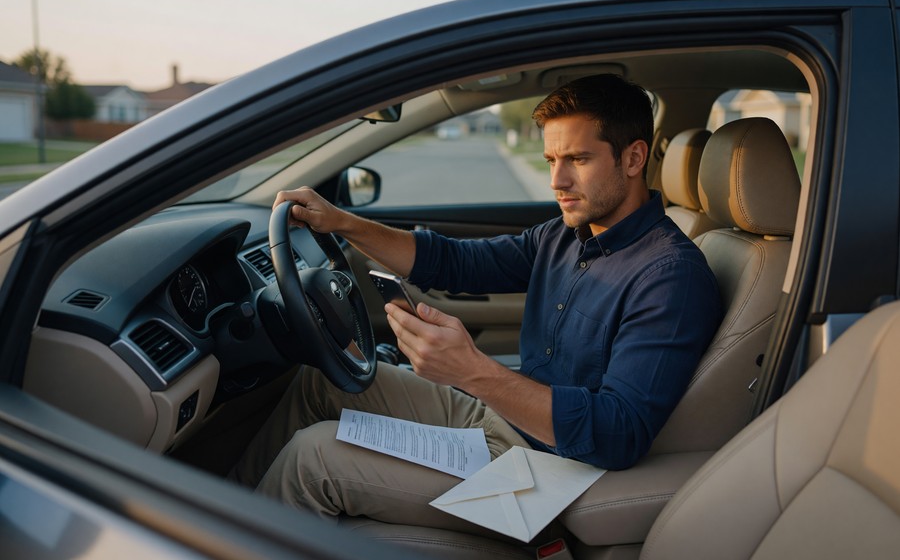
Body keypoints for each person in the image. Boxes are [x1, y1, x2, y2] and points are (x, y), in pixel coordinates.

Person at [230, 74, 723, 534]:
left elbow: (618, 432)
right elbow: (457, 263)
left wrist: (471, 371)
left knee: (312, 457)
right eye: (552, 160)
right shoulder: (566, 235)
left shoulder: (670, 277)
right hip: (499, 416)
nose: (557, 181)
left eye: (578, 159)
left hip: (547, 474)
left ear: (634, 159)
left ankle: (201, 542)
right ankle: (219, 515)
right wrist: (342, 222)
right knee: (319, 382)